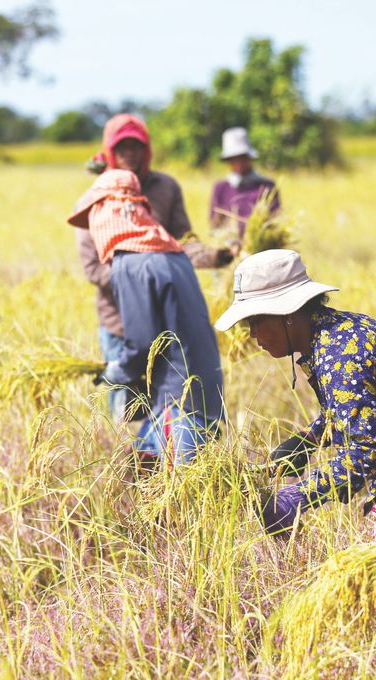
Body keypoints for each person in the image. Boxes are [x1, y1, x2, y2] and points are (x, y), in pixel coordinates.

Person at [214, 249, 376, 539]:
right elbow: (354, 408)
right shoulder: (332, 332)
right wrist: (309, 440)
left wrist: (298, 497)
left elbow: (366, 449)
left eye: (255, 322)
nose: (252, 335)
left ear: (286, 314)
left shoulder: (340, 355)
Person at [76, 114, 230, 421]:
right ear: (109, 152)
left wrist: (215, 257)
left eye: (137, 146)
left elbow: (183, 243)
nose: (130, 154)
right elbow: (93, 269)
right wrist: (137, 282)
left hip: (166, 320)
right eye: (122, 147)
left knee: (167, 405)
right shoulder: (98, 202)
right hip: (120, 322)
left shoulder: (166, 188)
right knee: (130, 411)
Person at [68, 169, 224, 464]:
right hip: (196, 383)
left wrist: (118, 371)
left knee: (186, 490)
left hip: (178, 397)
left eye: (95, 217)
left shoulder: (130, 262)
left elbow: (143, 343)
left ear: (113, 214)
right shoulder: (171, 252)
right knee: (143, 466)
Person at [209, 127, 281, 236]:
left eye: (242, 157)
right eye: (233, 158)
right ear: (228, 161)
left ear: (249, 157)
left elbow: (275, 219)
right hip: (230, 248)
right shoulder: (221, 188)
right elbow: (215, 225)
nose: (238, 162)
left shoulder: (267, 187)